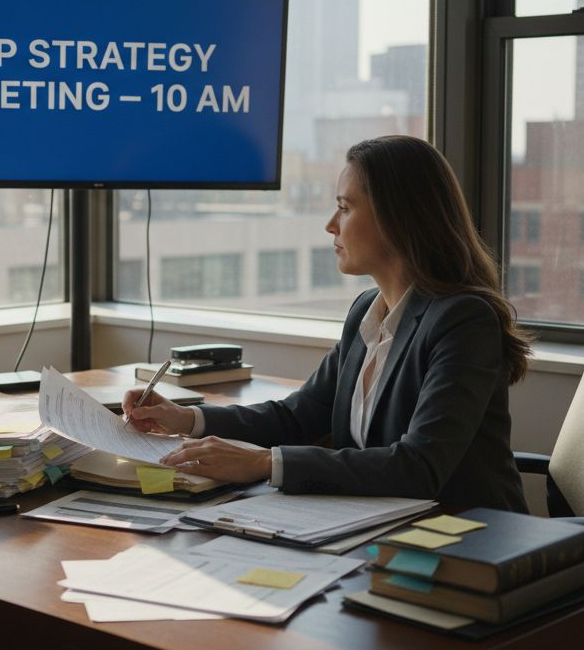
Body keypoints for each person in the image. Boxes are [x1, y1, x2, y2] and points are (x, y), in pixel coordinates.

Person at [122, 135, 530, 512]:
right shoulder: (366, 311)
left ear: (396, 217)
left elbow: (419, 466)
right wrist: (187, 419)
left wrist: (263, 463)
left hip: (465, 536)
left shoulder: (463, 321)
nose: (331, 224)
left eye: (345, 207)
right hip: (372, 520)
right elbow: (299, 416)